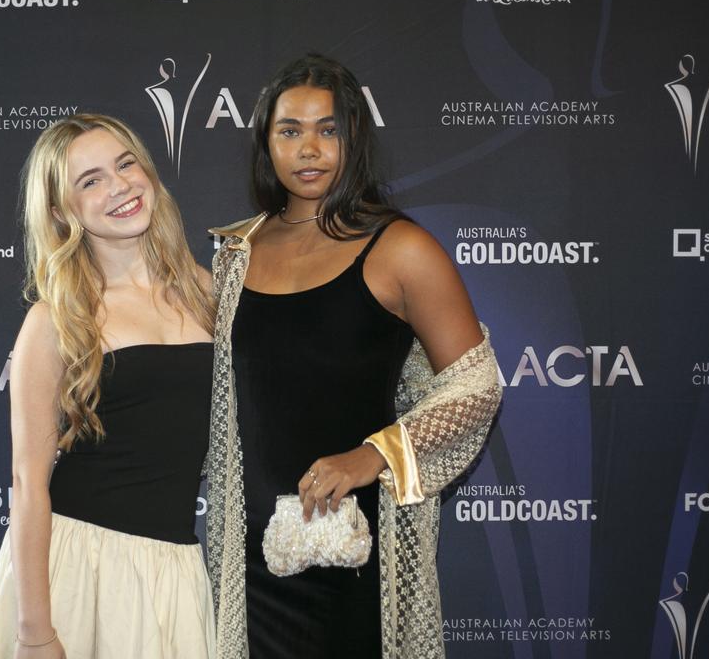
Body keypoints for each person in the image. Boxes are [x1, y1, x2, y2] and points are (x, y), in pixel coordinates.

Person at [205, 54, 503, 658]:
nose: (309, 148)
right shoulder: (235, 252)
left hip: (356, 550)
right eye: (290, 130)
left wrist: (374, 455)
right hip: (253, 564)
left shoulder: (401, 248)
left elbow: (478, 386)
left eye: (328, 129)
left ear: (354, 139)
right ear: (267, 144)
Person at [0, 114, 217, 659]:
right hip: (79, 565)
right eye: (91, 180)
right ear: (62, 211)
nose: (120, 186)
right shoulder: (55, 316)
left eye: (125, 164)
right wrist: (35, 632)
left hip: (174, 566)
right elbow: (26, 481)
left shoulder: (206, 289)